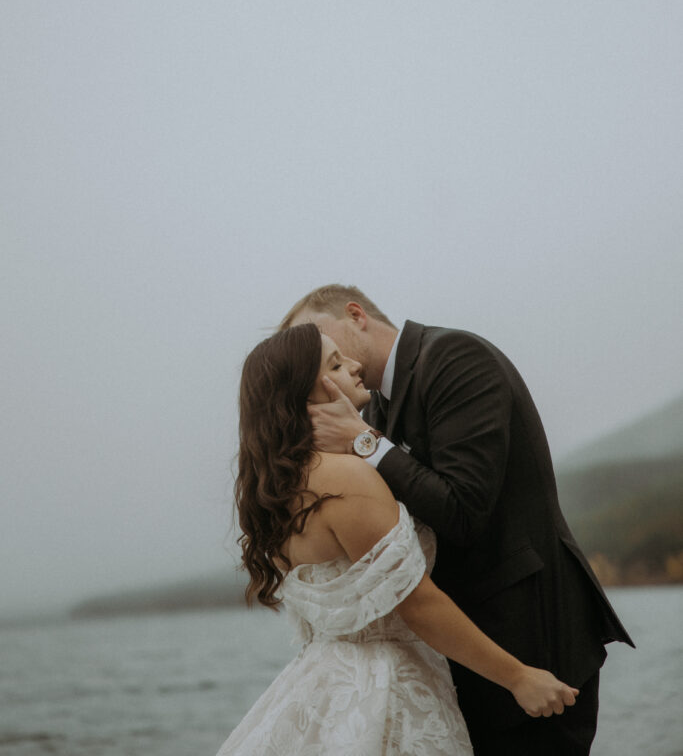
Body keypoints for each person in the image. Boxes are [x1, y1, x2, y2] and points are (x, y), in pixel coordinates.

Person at [281, 286, 635, 756]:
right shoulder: (377, 405)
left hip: (533, 638)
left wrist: (365, 442)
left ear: (355, 316)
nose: (316, 364)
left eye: (318, 340)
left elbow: (464, 512)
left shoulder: (454, 358)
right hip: (470, 658)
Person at [216, 323, 580, 756]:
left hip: (322, 684)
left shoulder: (279, 491)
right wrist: (519, 677)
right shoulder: (345, 478)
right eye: (335, 363)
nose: (354, 365)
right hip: (384, 688)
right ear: (306, 396)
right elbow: (417, 604)